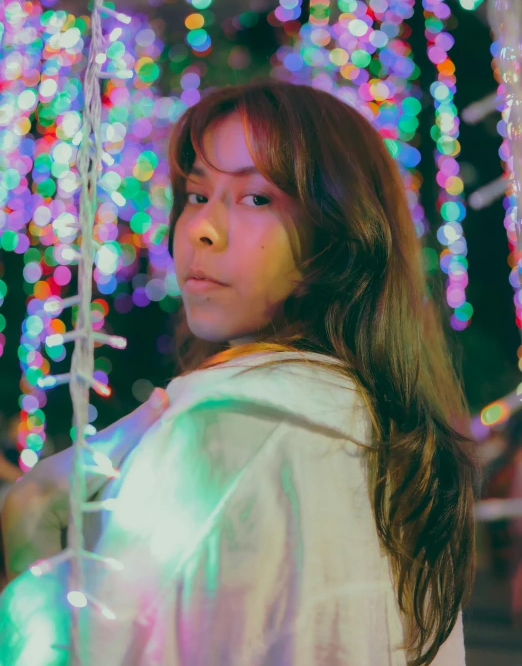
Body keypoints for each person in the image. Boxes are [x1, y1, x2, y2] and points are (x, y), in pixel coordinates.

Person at [0, 80, 479, 665]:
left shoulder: (222, 429)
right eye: (197, 195)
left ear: (334, 237)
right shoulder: (387, 432)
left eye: (256, 198)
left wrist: (28, 541)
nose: (202, 229)